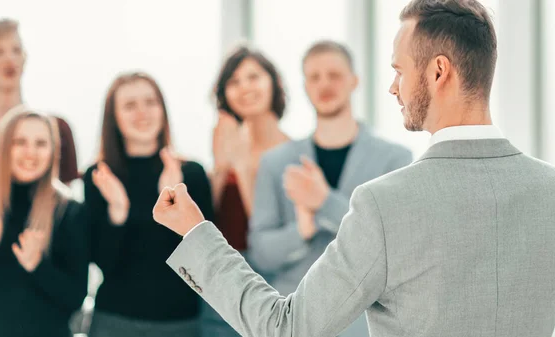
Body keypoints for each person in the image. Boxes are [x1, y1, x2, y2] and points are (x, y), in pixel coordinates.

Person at [153, 0, 555, 336]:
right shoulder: (549, 189)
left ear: (437, 71)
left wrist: (195, 231)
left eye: (399, 70)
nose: (393, 87)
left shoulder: (385, 202)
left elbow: (286, 328)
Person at [247, 40, 411, 336]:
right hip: (290, 320)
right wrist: (302, 230)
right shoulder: (275, 162)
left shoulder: (394, 159)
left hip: (364, 325)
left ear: (354, 81)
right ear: (305, 86)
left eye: (334, 75)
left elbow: (395, 247)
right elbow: (260, 252)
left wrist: (324, 201)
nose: (324, 84)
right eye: (314, 77)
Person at [0, 20, 79, 334]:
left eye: (16, 49)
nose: (9, 59)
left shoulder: (58, 130)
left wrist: (39, 264)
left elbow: (73, 277)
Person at [84, 72, 214, 337]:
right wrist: (118, 210)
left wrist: (173, 202)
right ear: (114, 118)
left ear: (162, 110)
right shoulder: (99, 176)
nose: (142, 112)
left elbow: (206, 260)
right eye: (130, 105)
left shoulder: (192, 174)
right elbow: (104, 263)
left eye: (150, 102)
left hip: (180, 323)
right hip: (114, 322)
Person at [0, 108, 88, 337]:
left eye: (41, 144)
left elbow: (75, 300)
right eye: (20, 142)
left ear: (53, 151)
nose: (31, 153)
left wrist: (38, 265)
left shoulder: (69, 211)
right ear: (2, 147)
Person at [205, 46, 290, 337]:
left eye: (253, 77)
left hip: (271, 284)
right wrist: (220, 166)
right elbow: (207, 221)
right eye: (234, 81)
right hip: (219, 281)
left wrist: (242, 170)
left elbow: (272, 235)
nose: (244, 88)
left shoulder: (293, 153)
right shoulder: (225, 140)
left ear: (273, 83)